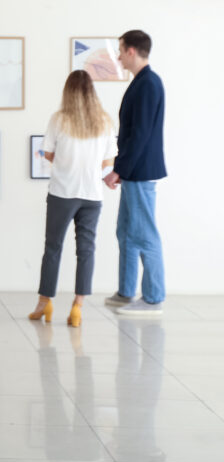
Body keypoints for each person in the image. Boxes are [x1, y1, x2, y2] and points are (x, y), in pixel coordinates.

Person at [28, 70, 117, 327]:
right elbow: (109, 161)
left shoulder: (59, 119)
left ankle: (44, 303)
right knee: (86, 250)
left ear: (67, 91)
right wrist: (90, 168)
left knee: (53, 248)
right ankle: (77, 307)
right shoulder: (104, 121)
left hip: (62, 193)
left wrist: (67, 165)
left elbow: (48, 153)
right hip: (92, 195)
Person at [103, 30, 167, 317]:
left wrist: (119, 170)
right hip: (134, 171)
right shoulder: (141, 83)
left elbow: (139, 135)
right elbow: (133, 135)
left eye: (120, 50)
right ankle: (126, 291)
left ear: (131, 51)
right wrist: (120, 169)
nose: (118, 56)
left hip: (140, 172)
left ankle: (153, 298)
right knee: (126, 232)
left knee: (144, 234)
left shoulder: (148, 84)